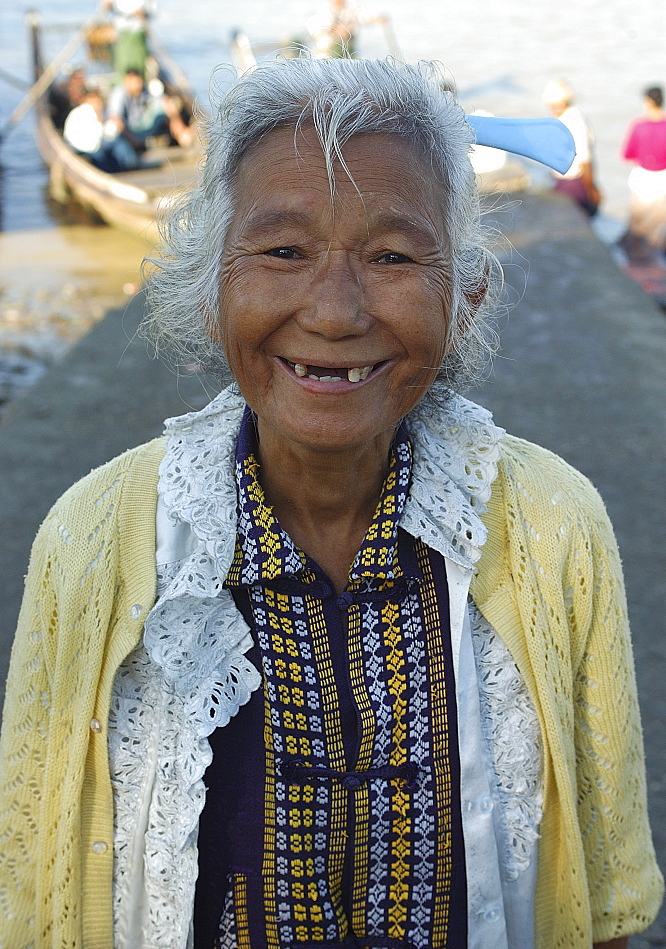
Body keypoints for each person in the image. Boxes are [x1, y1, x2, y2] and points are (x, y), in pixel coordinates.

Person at [0, 58, 662, 949]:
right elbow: (37, 893)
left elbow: (605, 897)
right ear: (211, 285)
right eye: (282, 251)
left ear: (463, 297)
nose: (336, 311)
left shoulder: (553, 525)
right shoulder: (92, 538)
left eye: (392, 256)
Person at [105, 67, 193, 169]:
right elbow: (116, 119)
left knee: (167, 104)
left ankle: (181, 134)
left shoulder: (143, 91)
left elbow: (160, 101)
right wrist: (132, 139)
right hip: (129, 132)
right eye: (134, 81)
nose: (138, 84)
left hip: (142, 127)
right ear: (127, 81)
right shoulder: (119, 94)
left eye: (139, 81)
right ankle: (182, 135)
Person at [542, 78, 602, 216]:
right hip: (565, 182)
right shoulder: (566, 119)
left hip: (574, 184)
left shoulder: (574, 121)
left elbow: (584, 161)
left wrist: (591, 189)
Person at [620, 84, 666, 258]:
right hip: (662, 182)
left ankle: (634, 258)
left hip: (642, 181)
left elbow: (627, 154)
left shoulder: (639, 126)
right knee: (657, 231)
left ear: (647, 101)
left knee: (637, 227)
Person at [100, 0, 156, 77]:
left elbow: (153, 10)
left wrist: (143, 14)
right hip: (120, 30)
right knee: (122, 60)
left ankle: (140, 82)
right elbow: (103, 8)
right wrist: (107, 5)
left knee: (139, 60)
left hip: (138, 31)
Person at [307, 0, 388, 58]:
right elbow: (322, 28)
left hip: (348, 50)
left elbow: (364, 17)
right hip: (327, 51)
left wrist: (377, 19)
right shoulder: (325, 9)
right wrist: (339, 29)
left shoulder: (352, 7)